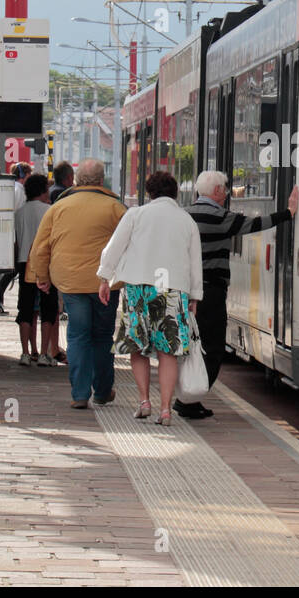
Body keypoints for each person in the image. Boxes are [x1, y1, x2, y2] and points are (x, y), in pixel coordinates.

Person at [179, 169, 299, 419]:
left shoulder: (185, 215)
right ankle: (189, 399)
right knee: (212, 347)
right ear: (216, 191)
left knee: (189, 344)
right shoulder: (219, 217)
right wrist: (288, 213)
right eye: (224, 189)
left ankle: (185, 396)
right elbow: (255, 224)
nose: (226, 195)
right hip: (209, 292)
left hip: (182, 290)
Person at [96, 172, 203, 426]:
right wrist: (195, 295)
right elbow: (194, 260)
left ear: (150, 192)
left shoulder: (136, 214)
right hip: (172, 289)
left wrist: (104, 277)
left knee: (138, 345)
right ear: (175, 192)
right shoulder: (186, 220)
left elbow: (115, 246)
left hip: (139, 288)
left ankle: (144, 401)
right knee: (168, 351)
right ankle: (165, 409)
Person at [27, 159, 126, 409]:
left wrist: (41, 277)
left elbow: (41, 247)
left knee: (78, 335)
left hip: (70, 283)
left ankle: (80, 394)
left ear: (78, 180)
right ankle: (102, 390)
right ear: (102, 181)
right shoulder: (115, 208)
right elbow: (130, 245)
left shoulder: (58, 208)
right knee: (103, 336)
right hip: (106, 283)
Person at [14, 173, 59, 366]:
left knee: (26, 309)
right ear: (43, 190)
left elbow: (16, 240)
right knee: (48, 309)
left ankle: (26, 352)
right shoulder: (50, 211)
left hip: (24, 262)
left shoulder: (20, 212)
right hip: (46, 264)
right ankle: (43, 353)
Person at [0, 161, 33, 314]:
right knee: (14, 268)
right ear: (23, 175)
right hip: (15, 234)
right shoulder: (19, 190)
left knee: (13, 268)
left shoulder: (13, 188)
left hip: (12, 233)